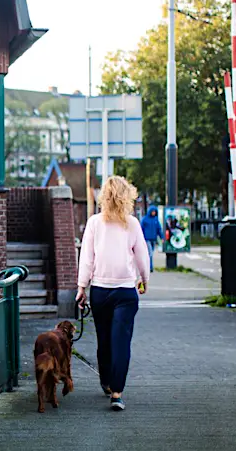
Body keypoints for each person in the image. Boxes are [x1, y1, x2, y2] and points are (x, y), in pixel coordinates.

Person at [76, 176, 150, 412]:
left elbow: (87, 258)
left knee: (104, 339)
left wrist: (81, 287)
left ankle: (107, 381)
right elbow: (142, 255)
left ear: (103, 197)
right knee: (121, 341)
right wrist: (144, 279)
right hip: (126, 290)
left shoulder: (95, 223)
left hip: (100, 290)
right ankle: (117, 392)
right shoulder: (132, 224)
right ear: (127, 196)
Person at [140, 205, 163, 272]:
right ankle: (150, 267)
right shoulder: (145, 219)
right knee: (150, 253)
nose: (154, 213)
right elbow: (141, 229)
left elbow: (159, 229)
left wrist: (162, 237)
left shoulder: (155, 219)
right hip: (147, 239)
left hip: (153, 239)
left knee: (150, 253)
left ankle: (146, 265)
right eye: (153, 212)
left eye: (154, 212)